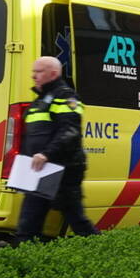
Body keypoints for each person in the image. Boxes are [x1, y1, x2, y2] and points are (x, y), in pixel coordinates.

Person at [14, 56, 100, 243]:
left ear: (53, 73)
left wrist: (46, 154)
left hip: (63, 168)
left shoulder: (65, 97)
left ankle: (102, 250)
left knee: (74, 217)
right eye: (33, 71)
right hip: (42, 169)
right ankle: (26, 256)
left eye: (39, 72)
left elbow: (69, 131)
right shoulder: (41, 100)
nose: (33, 76)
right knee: (30, 220)